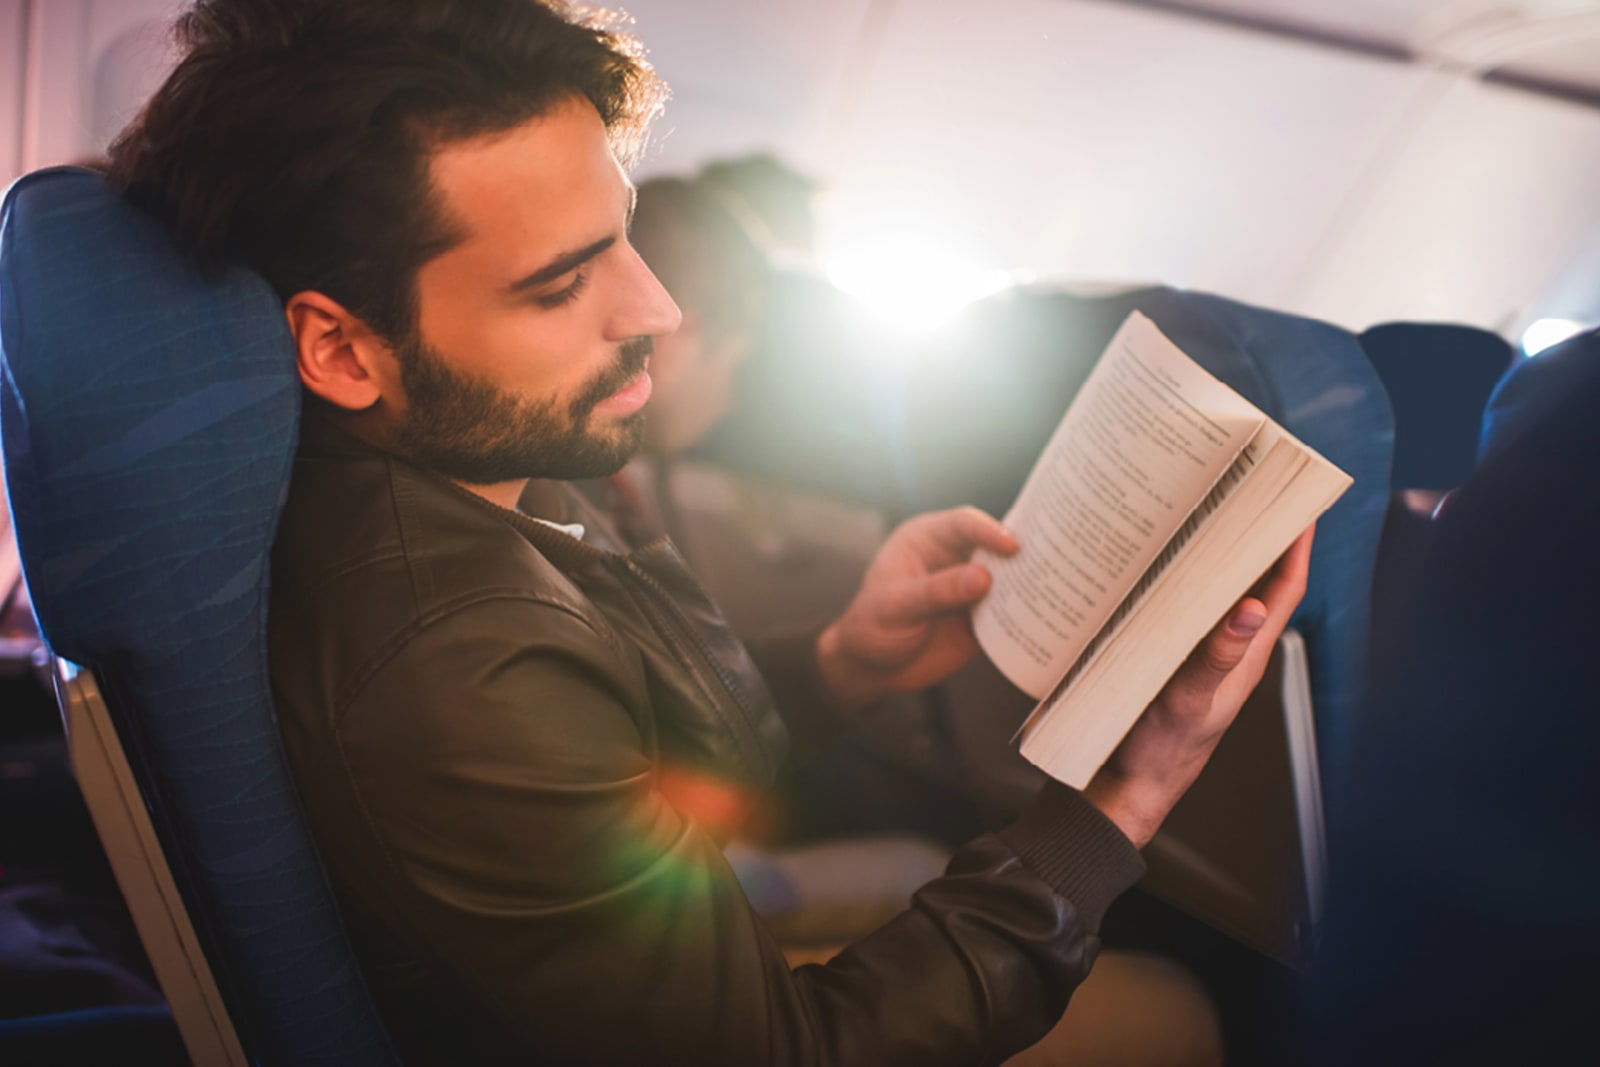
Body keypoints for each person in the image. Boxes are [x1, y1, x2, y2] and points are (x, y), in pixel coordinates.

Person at [105, 2, 1311, 1063]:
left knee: (910, 872)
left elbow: (622, 763)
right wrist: (1122, 797)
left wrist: (845, 655)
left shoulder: (483, 460)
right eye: (559, 283)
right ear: (343, 351)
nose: (659, 308)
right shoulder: (450, 661)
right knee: (1173, 1011)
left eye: (622, 232)